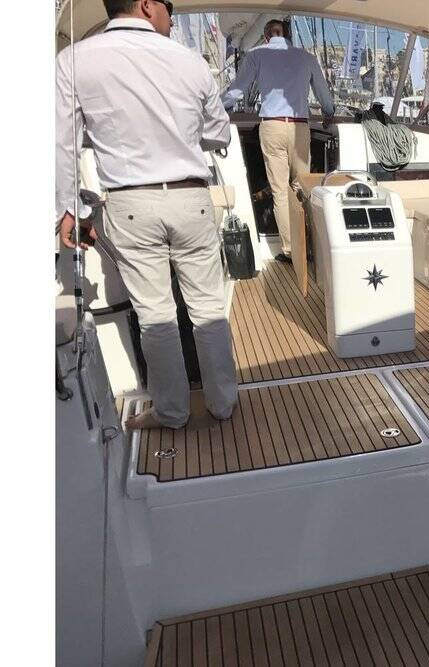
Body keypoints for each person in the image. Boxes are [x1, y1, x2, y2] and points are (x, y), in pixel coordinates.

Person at [55, 0, 238, 430]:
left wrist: (72, 210)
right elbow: (219, 134)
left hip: (131, 205)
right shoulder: (189, 60)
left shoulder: (75, 60)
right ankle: (223, 403)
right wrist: (178, 134)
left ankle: (172, 412)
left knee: (156, 315)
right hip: (191, 199)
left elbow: (62, 143)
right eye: (169, 7)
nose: (172, 17)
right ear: (147, 5)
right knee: (208, 308)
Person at [222, 19, 336, 263]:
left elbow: (238, 89)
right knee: (302, 187)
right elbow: (322, 92)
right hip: (300, 127)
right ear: (287, 36)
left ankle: (292, 250)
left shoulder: (257, 55)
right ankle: (311, 245)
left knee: (280, 191)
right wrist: (328, 112)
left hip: (272, 126)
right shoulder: (306, 58)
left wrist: (220, 107)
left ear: (266, 37)